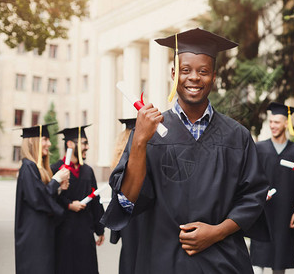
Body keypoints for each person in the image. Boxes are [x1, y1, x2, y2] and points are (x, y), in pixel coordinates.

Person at [102, 28, 270, 274]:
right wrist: (139, 141)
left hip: (222, 262)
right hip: (163, 261)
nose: (194, 77)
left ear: (214, 76)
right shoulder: (149, 132)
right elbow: (128, 199)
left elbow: (253, 197)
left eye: (203, 71)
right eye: (185, 70)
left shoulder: (237, 136)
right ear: (173, 74)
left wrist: (216, 232)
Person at [250, 102, 294, 274]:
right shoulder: (259, 148)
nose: (272, 125)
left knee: (280, 258)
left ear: (286, 123)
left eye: (276, 122)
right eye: (271, 122)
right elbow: (251, 178)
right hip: (263, 212)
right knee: (258, 256)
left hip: (286, 213)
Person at [14, 123, 70, 274]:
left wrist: (58, 188)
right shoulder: (28, 167)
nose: (49, 144)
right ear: (33, 141)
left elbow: (42, 195)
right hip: (33, 237)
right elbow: (37, 199)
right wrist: (56, 180)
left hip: (41, 234)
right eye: (45, 139)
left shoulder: (37, 168)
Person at [51, 125, 105, 274]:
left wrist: (100, 229)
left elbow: (95, 199)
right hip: (63, 232)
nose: (87, 147)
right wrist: (68, 205)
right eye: (83, 143)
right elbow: (49, 198)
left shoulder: (87, 171)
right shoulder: (55, 170)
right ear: (70, 144)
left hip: (84, 232)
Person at [109, 118, 142, 274]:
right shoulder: (143, 159)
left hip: (126, 222)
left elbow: (114, 196)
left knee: (129, 258)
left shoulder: (118, 164)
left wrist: (115, 233)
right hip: (143, 218)